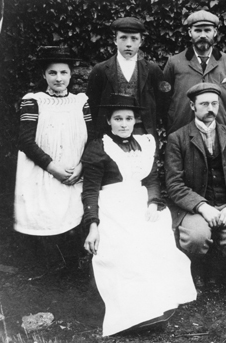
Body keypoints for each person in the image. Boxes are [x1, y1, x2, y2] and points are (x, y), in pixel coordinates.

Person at [81, 93, 196, 336]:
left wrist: (154, 203)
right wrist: (93, 225)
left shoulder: (144, 142)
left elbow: (152, 179)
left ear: (135, 121)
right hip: (112, 205)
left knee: (154, 239)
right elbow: (90, 190)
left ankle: (156, 305)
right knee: (126, 246)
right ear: (109, 121)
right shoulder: (98, 147)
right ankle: (133, 313)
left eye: (129, 118)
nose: (124, 124)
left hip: (142, 203)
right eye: (118, 119)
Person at [165, 83, 226, 286]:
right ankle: (198, 268)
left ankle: (222, 272)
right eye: (204, 104)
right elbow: (174, 183)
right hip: (195, 207)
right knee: (196, 238)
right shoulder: (177, 138)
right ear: (192, 106)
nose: (210, 108)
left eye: (214, 103)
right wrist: (202, 206)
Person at [15, 46, 93, 245]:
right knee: (47, 228)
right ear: (44, 74)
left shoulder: (80, 102)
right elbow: (26, 141)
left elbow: (93, 138)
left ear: (70, 74)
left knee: (74, 227)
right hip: (44, 173)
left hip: (75, 174)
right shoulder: (34, 102)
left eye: (63, 72)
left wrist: (81, 168)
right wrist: (53, 168)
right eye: (52, 72)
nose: (59, 78)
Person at [163, 10, 226, 134]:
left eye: (207, 30)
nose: (202, 35)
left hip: (222, 132)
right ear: (190, 32)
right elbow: (163, 99)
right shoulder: (174, 62)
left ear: (215, 32)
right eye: (198, 30)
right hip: (183, 132)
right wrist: (173, 125)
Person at [87, 17, 169, 138]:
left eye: (134, 38)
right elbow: (93, 106)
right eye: (123, 38)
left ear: (141, 41)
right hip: (109, 134)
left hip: (143, 133)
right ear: (115, 40)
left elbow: (163, 104)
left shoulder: (152, 70)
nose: (128, 44)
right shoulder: (100, 70)